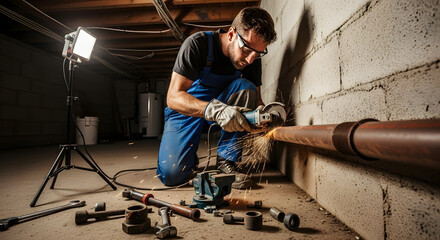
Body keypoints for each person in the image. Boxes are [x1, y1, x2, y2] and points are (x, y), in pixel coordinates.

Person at [157, 6, 277, 189]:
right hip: (188, 112)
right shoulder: (198, 44)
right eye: (246, 50)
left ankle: (227, 160)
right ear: (231, 34)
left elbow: (256, 98)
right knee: (172, 175)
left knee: (246, 87)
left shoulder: (252, 57)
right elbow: (173, 98)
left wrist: (262, 113)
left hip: (226, 113)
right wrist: (215, 110)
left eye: (258, 53)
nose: (251, 59)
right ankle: (187, 155)